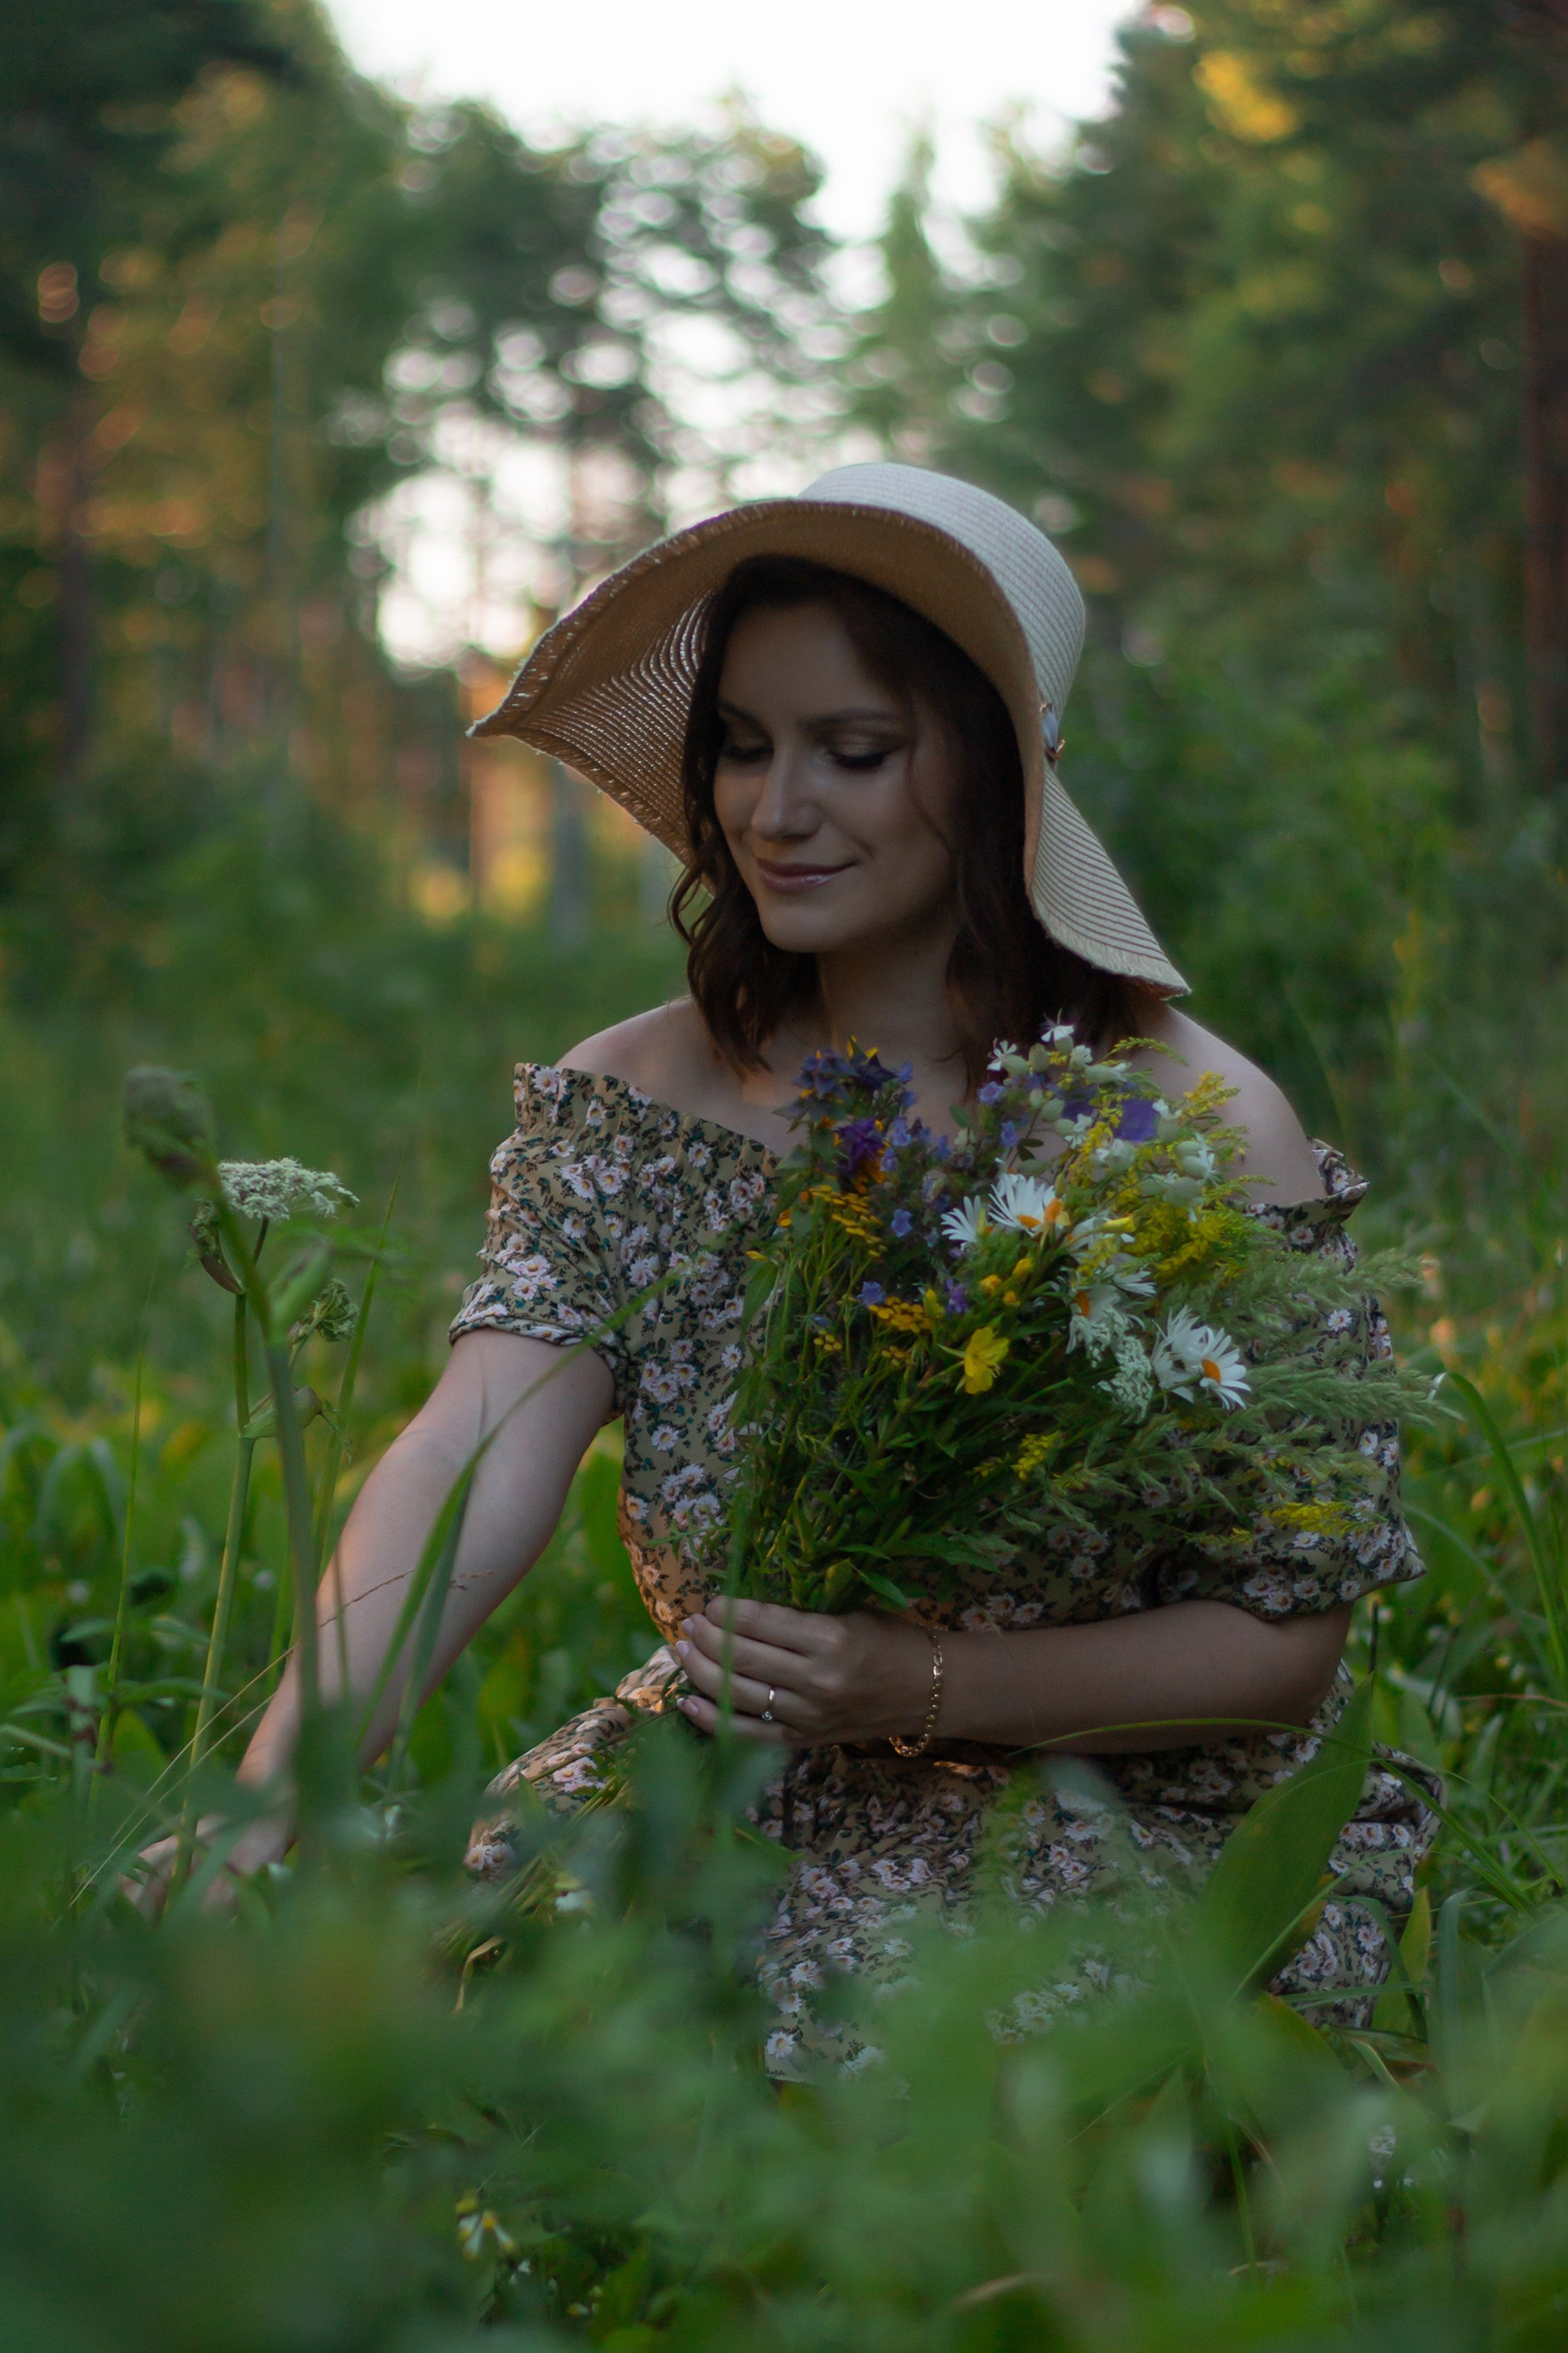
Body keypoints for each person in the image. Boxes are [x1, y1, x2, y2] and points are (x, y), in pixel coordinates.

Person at [140, 464, 1435, 2071]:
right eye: (744, 747)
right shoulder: (639, 1099)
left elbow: (1282, 1648)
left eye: (855, 751)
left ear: (996, 775)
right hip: (721, 1787)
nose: (774, 808)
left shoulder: (1194, 1129)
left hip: (1110, 1827)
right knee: (354, 2032)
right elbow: (472, 1456)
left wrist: (924, 1681)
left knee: (860, 2093)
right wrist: (285, 1794)